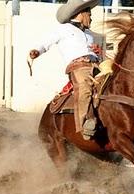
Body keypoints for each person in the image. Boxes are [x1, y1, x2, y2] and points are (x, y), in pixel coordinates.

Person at [28, 0, 101, 140]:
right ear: (81, 14)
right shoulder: (63, 29)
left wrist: (98, 53)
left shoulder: (90, 34)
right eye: (89, 14)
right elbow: (46, 42)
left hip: (96, 66)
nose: (91, 18)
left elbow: (96, 52)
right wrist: (37, 51)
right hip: (78, 67)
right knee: (85, 87)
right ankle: (85, 123)